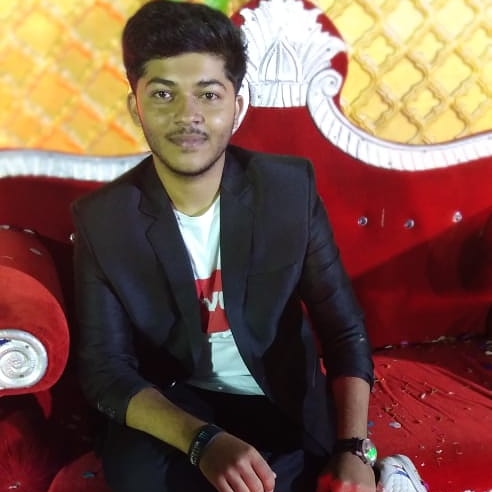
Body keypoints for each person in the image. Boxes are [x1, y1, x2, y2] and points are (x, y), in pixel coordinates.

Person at [71, 1, 375, 491]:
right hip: (174, 403)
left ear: (238, 105)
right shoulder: (103, 221)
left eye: (208, 94)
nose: (187, 116)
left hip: (278, 395)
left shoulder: (287, 192)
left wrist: (354, 449)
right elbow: (105, 369)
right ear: (135, 107)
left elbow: (344, 331)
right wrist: (202, 441)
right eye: (163, 94)